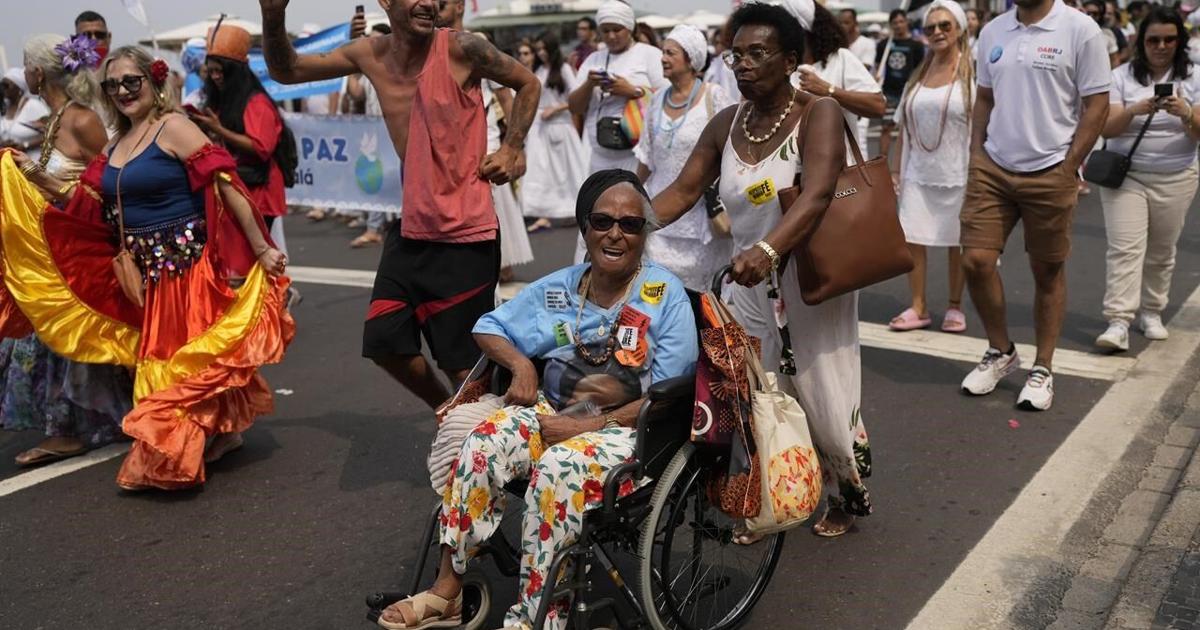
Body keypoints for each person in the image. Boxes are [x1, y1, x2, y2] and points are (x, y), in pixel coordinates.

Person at [377, 171, 697, 630]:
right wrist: (523, 365)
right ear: (584, 227)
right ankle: (446, 592)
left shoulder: (664, 297)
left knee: (555, 471)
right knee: (485, 440)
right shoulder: (561, 289)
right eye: (603, 221)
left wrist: (590, 427)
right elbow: (489, 327)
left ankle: (536, 619)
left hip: (628, 433)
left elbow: (665, 398)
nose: (615, 234)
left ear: (644, 233)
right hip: (552, 412)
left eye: (630, 225)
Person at [1, 46, 292, 489]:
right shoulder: (117, 143)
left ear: (154, 82)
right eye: (112, 85)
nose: (122, 91)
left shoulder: (173, 127)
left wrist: (262, 247)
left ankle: (194, 443)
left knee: (182, 367)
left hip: (187, 273)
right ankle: (218, 434)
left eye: (131, 81)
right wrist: (34, 178)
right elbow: (86, 204)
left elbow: (225, 183)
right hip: (145, 278)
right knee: (172, 368)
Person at [651, 0, 872, 537]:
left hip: (809, 278)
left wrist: (770, 251)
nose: (744, 64)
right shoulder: (728, 123)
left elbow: (818, 192)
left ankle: (845, 489)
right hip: (746, 280)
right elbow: (683, 189)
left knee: (820, 392)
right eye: (736, 55)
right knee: (752, 389)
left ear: (791, 58)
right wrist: (622, 222)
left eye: (758, 53)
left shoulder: (817, 111)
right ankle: (773, 491)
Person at [259, 0, 540, 409]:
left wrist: (513, 146)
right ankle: (452, 413)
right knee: (384, 342)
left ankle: (497, 446)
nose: (428, 3)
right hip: (411, 228)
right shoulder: (370, 53)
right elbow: (287, 71)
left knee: (464, 367)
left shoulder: (464, 48)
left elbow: (527, 82)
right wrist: (272, 14)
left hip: (465, 232)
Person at [959, 0, 1111, 411]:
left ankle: (1043, 367)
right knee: (975, 260)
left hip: (1051, 169)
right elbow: (985, 98)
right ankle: (1001, 351)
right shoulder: (993, 31)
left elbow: (1097, 103)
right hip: (993, 167)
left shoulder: (1080, 30)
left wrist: (1070, 164)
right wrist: (976, 155)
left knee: (1047, 270)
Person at [0, 33, 132, 467]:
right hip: (58, 245)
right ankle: (69, 426)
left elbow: (110, 181)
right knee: (52, 340)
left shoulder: (80, 119)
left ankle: (72, 429)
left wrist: (37, 177)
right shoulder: (56, 119)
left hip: (83, 246)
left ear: (38, 73)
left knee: (69, 337)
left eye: (27, 66)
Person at [1095, 7, 1200, 351]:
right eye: (1153, 39)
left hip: (1177, 175)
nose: (1161, 46)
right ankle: (1119, 320)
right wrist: (1133, 110)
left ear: (1179, 41)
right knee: (1125, 249)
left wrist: (1186, 112)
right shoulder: (1120, 76)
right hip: (1129, 175)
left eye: (1169, 39)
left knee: (1161, 251)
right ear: (1141, 42)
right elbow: (1106, 128)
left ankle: (1152, 311)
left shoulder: (1195, 77)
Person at [889, 1, 975, 334]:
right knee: (913, 239)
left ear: (959, 30)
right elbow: (904, 127)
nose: (937, 32)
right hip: (917, 172)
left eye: (945, 26)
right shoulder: (919, 74)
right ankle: (918, 305)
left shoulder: (972, 73)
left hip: (960, 171)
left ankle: (955, 306)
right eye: (930, 28)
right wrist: (896, 170)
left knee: (958, 242)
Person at [635, 24, 734, 292]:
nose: (662, 58)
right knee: (658, 292)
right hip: (660, 215)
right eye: (662, 52)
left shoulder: (714, 96)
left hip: (703, 219)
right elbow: (646, 156)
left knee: (704, 300)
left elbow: (730, 151)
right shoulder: (656, 100)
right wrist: (630, 190)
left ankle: (704, 336)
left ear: (691, 59)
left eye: (670, 53)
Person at [188, 24, 289, 230]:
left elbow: (261, 148)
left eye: (220, 71)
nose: (215, 76)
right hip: (237, 187)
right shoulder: (222, 98)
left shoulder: (257, 103)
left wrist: (219, 129)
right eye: (211, 71)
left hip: (259, 192)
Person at [568, 0, 668, 174]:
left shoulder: (650, 55)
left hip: (638, 156)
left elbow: (670, 97)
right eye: (606, 31)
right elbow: (574, 106)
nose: (611, 36)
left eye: (617, 29)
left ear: (629, 28)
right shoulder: (593, 60)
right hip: (599, 155)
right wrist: (590, 84)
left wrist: (634, 92)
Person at [793, 3, 886, 158]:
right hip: (793, 175)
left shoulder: (840, 58)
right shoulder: (782, 68)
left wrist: (829, 90)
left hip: (841, 174)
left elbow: (878, 106)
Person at [523, 31, 589, 233]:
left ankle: (579, 208)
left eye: (544, 48)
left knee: (569, 171)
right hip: (541, 129)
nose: (541, 53)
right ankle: (544, 212)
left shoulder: (564, 70)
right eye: (538, 49)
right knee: (542, 172)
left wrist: (557, 108)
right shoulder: (539, 70)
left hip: (561, 126)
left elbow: (576, 97)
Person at [877, 9, 926, 163]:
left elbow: (921, 70)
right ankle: (882, 163)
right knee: (886, 128)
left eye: (901, 21)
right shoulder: (884, 45)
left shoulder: (916, 46)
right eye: (894, 23)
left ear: (906, 22)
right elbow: (878, 66)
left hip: (909, 91)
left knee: (909, 128)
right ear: (891, 25)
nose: (898, 25)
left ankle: (910, 161)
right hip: (889, 92)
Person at [0, 68, 50, 152]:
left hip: (36, 161)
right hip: (12, 163)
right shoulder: (3, 109)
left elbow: (52, 133)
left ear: (19, 88)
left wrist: (26, 145)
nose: (3, 89)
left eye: (6, 85)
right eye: (1, 85)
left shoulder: (33, 106)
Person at [1084, 0, 1121, 67]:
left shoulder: (1107, 34)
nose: (1091, 16)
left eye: (1095, 13)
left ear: (1100, 16)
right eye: (1088, 13)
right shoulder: (1072, 32)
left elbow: (1114, 60)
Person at [840, 8, 878, 73]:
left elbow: (864, 69)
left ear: (855, 23)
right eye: (840, 23)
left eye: (846, 23)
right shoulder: (836, 44)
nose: (842, 26)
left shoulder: (868, 43)